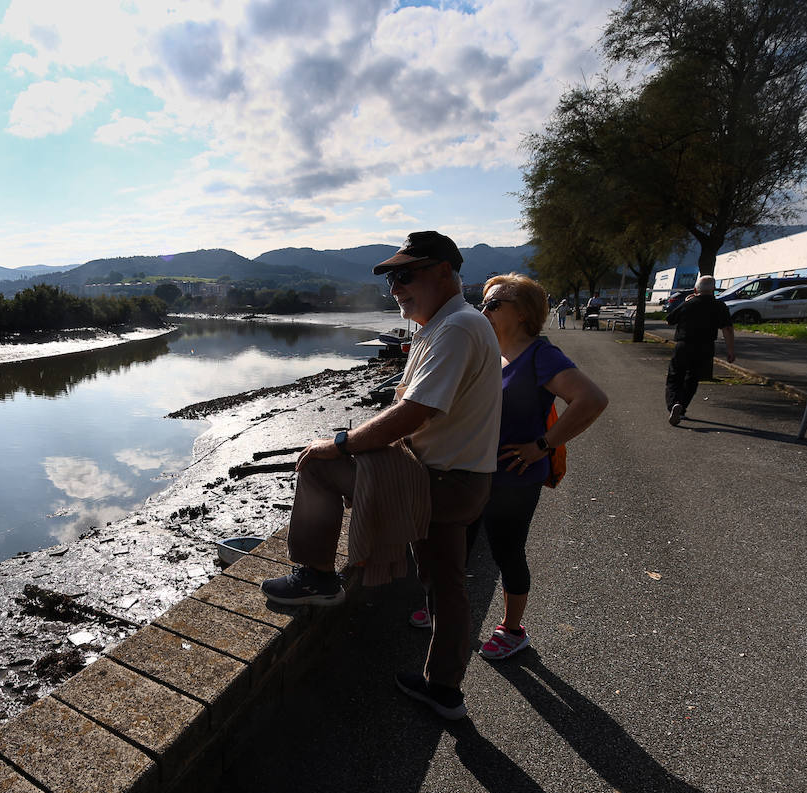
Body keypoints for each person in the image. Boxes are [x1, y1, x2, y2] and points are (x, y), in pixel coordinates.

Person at [259, 230, 501, 720]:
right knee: (446, 583)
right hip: (461, 478)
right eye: (391, 280)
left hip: (440, 481)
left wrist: (341, 443)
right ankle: (444, 690)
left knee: (319, 465)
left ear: (445, 272)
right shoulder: (445, 324)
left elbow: (415, 412)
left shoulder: (456, 327)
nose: (396, 288)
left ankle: (318, 576)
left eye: (406, 275)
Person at [468, 274, 609, 659]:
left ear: (523, 313)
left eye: (493, 304)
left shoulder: (540, 355)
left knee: (507, 551)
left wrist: (544, 445)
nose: (484, 311)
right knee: (458, 541)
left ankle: (513, 630)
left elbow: (592, 399)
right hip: (477, 470)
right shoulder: (492, 353)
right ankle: (443, 608)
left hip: (514, 477)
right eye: (483, 303)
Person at [665, 275, 735, 425]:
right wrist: (730, 350)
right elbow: (727, 329)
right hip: (705, 346)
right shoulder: (719, 306)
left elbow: (670, 320)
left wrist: (685, 303)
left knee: (675, 377)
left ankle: (674, 403)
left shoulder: (689, 304)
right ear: (713, 289)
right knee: (693, 378)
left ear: (696, 290)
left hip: (684, 344)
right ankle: (682, 407)